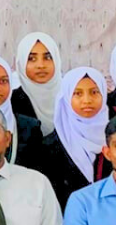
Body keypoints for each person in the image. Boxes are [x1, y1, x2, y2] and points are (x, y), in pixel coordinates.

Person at [41, 68, 112, 205]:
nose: (87, 100)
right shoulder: (49, 146)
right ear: (66, 97)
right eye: (78, 93)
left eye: (94, 92)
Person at [13, 32, 64, 135]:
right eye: (32, 59)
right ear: (21, 62)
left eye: (47, 57)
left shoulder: (69, 97)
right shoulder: (13, 101)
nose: (41, 65)